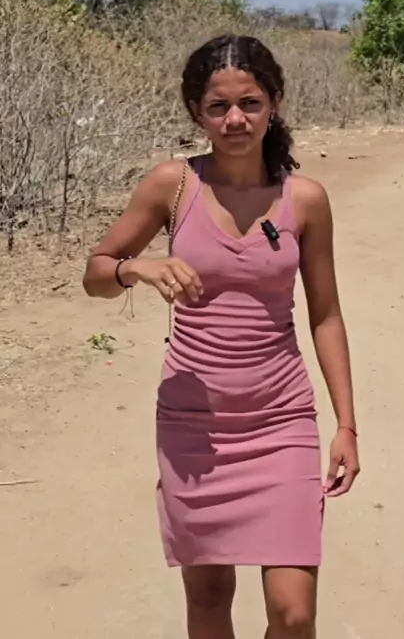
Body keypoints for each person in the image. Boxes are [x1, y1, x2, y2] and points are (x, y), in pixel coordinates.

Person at [82, 33, 360, 639]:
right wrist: (137, 268)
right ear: (196, 112)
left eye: (251, 103)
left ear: (274, 103)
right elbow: (96, 274)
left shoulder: (304, 200)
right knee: (208, 600)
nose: (236, 120)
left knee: (293, 614)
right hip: (194, 428)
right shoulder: (172, 186)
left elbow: (326, 315)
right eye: (218, 107)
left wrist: (346, 425)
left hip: (280, 420)